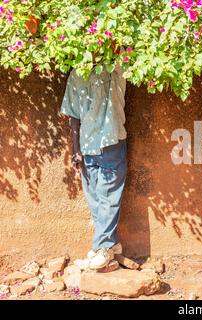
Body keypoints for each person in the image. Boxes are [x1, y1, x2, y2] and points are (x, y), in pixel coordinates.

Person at [60, 64, 128, 270]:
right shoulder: (77, 73)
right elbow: (73, 116)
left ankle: (103, 247)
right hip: (88, 144)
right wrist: (76, 149)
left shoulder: (116, 68)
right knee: (94, 198)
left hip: (111, 140)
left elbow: (73, 116)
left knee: (108, 195)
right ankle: (109, 244)